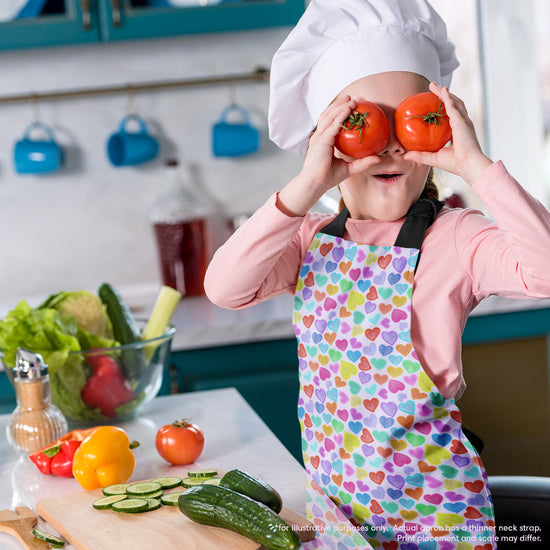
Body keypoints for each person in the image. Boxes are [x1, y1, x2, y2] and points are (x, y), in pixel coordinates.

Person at [204, 0, 550, 547]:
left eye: (412, 121)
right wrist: (306, 186)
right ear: (327, 138)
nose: (389, 142)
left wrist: (477, 166)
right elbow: (224, 288)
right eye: (364, 122)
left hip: (439, 525)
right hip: (340, 521)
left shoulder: (455, 237)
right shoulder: (307, 237)